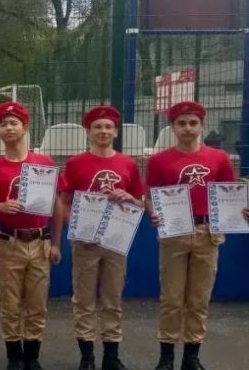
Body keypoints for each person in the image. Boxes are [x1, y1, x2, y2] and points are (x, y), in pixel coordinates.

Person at [146, 101, 249, 370]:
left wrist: (241, 210)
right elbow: (150, 195)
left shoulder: (219, 158)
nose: (188, 128)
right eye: (181, 123)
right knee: (171, 298)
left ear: (202, 126)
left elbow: (229, 193)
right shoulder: (159, 160)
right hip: (174, 232)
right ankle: (166, 357)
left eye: (193, 123)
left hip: (207, 232)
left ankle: (191, 357)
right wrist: (153, 212)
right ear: (173, 127)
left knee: (199, 299)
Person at [0, 101, 66, 370]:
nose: (9, 128)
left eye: (13, 123)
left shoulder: (44, 163)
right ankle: (14, 357)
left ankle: (32, 356)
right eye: (3, 124)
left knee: (37, 303)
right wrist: (0, 206)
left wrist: (56, 243)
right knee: (10, 303)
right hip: (9, 242)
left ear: (25, 127)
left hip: (40, 242)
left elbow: (57, 206)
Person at [60, 105, 144, 370]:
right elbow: (64, 202)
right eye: (97, 127)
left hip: (115, 242)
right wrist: (76, 228)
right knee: (83, 299)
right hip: (85, 243)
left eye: (108, 127)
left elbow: (140, 202)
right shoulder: (76, 163)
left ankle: (111, 355)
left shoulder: (128, 163)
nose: (103, 131)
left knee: (112, 299)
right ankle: (87, 356)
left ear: (116, 132)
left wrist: (129, 198)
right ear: (88, 132)